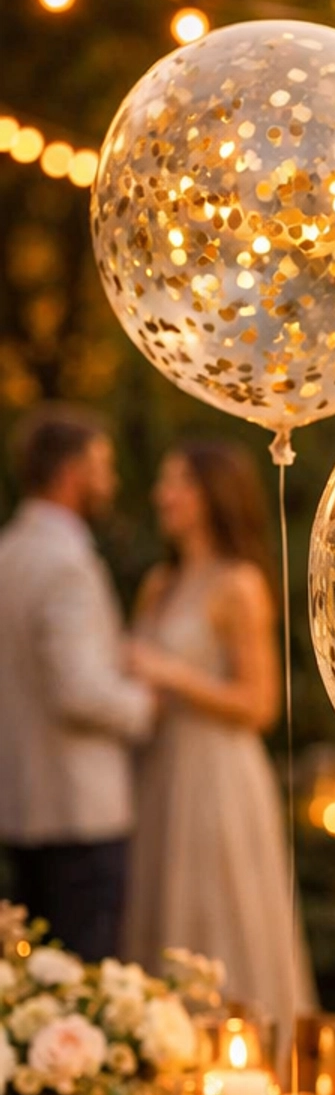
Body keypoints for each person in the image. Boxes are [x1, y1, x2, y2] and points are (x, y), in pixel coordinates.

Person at [123, 439, 314, 1044]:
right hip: (163, 769)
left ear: (212, 495)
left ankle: (245, 1060)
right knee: (164, 910)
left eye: (177, 482)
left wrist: (170, 674)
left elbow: (259, 705)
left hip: (220, 773)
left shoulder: (239, 584)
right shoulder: (161, 583)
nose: (163, 496)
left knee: (221, 913)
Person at [0, 406, 155, 959]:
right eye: (102, 466)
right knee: (83, 984)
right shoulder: (65, 563)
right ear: (71, 472)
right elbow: (80, 692)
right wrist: (145, 703)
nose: (110, 481)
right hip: (79, 809)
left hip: (21, 805)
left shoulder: (10, 552)